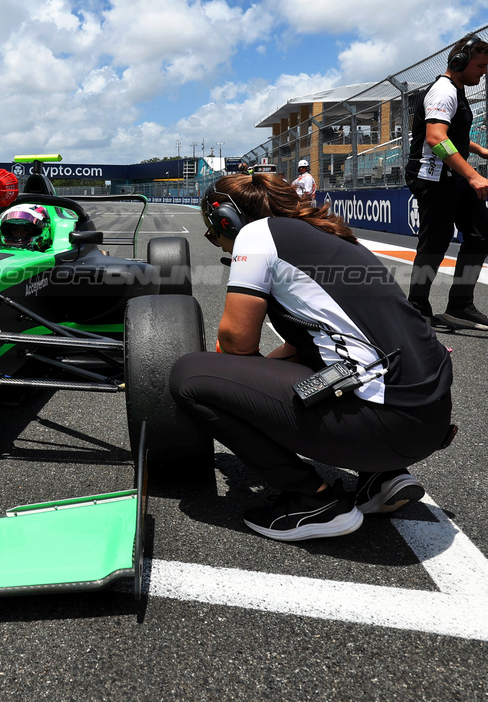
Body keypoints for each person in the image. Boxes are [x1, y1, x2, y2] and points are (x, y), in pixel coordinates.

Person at [169, 172, 454, 542]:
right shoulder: (331, 235)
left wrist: (238, 392)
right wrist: (257, 386)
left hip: (384, 422)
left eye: (213, 229)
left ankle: (313, 501)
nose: (215, 240)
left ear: (228, 219)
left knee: (191, 376)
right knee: (330, 361)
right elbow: (321, 342)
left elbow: (236, 342)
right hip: (429, 420)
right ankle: (383, 476)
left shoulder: (256, 235)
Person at [405, 34, 488, 331]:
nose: (484, 72)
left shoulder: (456, 90)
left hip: (453, 175)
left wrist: (479, 150)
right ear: (459, 62)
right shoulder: (443, 92)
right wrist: (473, 175)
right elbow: (436, 138)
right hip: (433, 178)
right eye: (480, 66)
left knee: (480, 236)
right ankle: (416, 307)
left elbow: (452, 133)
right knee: (435, 242)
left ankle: (460, 307)